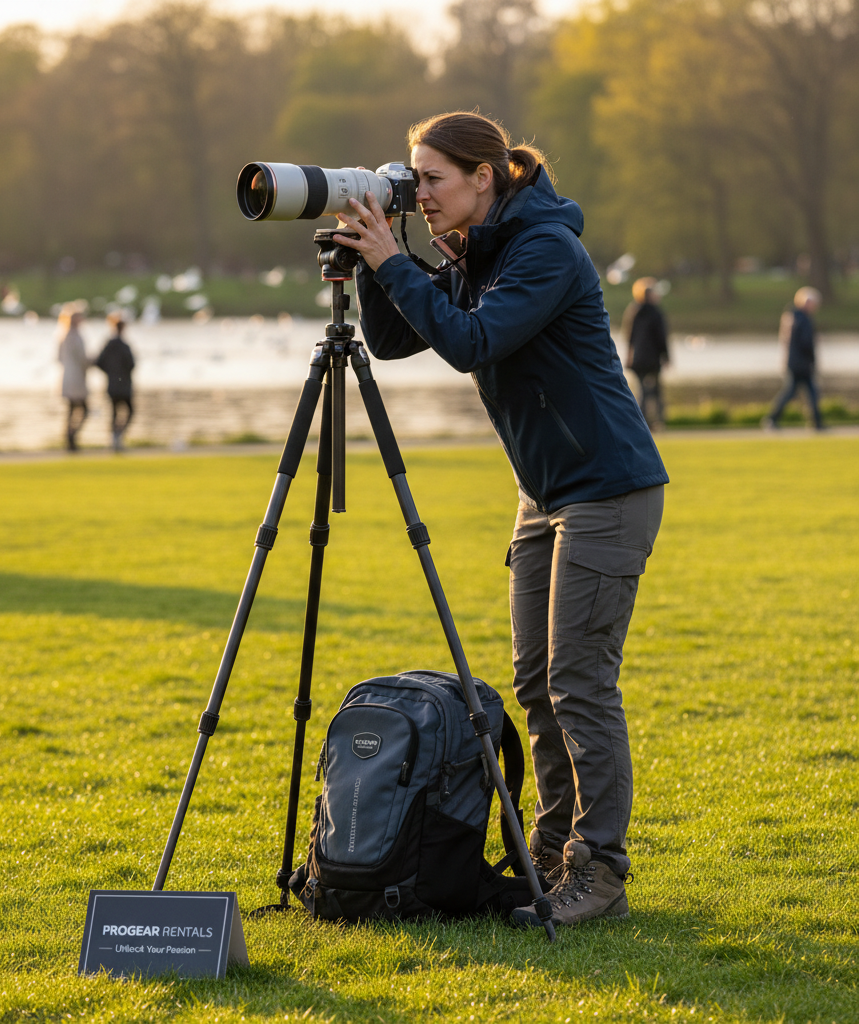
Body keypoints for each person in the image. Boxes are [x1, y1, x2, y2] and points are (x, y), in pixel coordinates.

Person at [334, 111, 669, 927]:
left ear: (484, 176)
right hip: (542, 495)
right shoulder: (476, 253)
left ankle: (601, 872)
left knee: (579, 683)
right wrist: (377, 259)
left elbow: (472, 342)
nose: (421, 194)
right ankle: (550, 856)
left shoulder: (543, 249)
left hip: (607, 489)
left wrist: (392, 258)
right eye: (413, 180)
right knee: (535, 685)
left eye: (433, 179)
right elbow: (394, 340)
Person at [763, 287, 824, 430]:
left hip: (795, 362)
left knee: (806, 393)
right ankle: (772, 419)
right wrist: (812, 355)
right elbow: (805, 342)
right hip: (800, 364)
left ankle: (816, 423)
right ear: (806, 302)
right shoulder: (802, 319)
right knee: (796, 393)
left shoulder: (792, 317)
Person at [622, 277, 669, 430]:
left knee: (641, 391)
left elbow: (629, 337)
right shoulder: (655, 312)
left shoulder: (633, 311)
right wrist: (666, 356)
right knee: (656, 392)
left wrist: (628, 356)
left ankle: (641, 422)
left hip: (637, 358)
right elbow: (661, 337)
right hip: (652, 359)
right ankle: (659, 421)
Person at [96, 313, 136, 451]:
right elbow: (131, 364)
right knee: (129, 410)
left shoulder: (108, 345)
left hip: (113, 383)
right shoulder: (124, 346)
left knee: (114, 412)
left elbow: (99, 362)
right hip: (123, 384)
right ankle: (118, 435)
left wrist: (110, 373)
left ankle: (114, 436)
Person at [58, 305, 92, 450]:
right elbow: (82, 359)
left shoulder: (63, 336)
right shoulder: (74, 337)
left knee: (71, 409)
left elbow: (59, 358)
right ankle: (71, 436)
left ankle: (69, 437)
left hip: (68, 376)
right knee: (84, 409)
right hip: (76, 378)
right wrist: (94, 361)